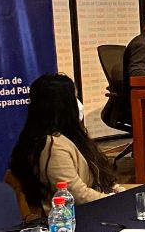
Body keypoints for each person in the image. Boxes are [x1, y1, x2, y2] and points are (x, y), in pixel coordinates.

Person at [8, 74, 119, 216]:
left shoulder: (72, 136)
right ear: (63, 105)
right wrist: (116, 201)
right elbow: (77, 195)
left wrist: (117, 191)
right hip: (70, 219)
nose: (79, 104)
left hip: (92, 210)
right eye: (74, 97)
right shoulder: (52, 146)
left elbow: (101, 178)